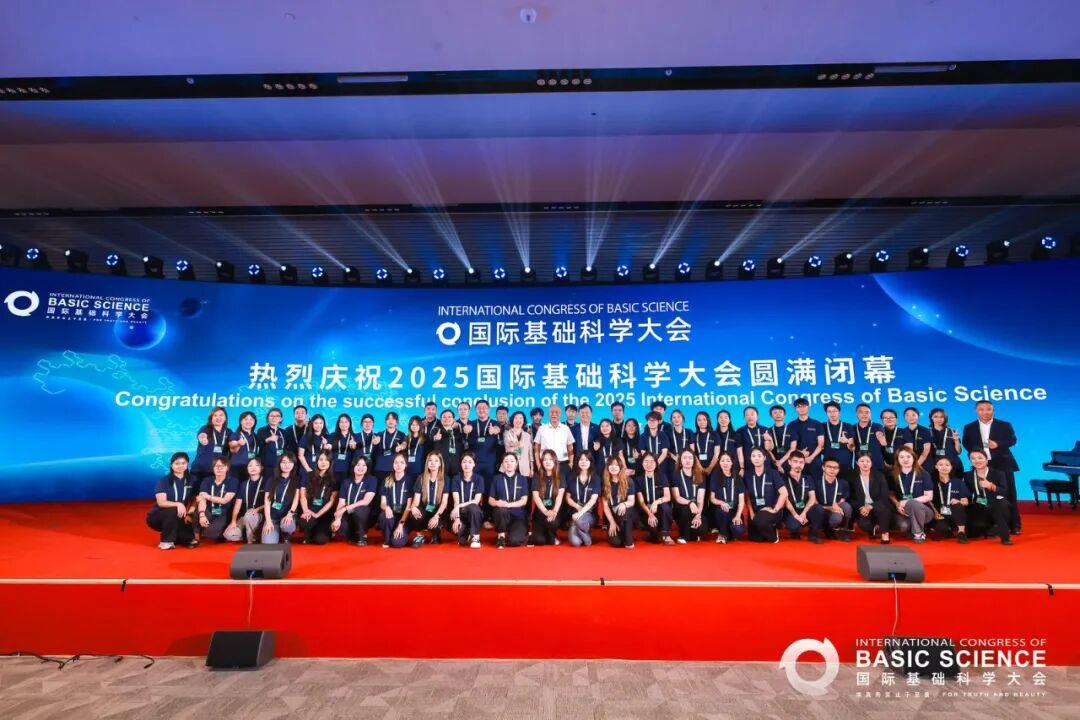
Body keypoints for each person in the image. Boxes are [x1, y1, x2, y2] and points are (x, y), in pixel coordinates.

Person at [961, 401, 1021, 534]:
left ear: (993, 410)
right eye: (981, 409)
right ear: (976, 411)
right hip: (981, 465)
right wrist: (977, 455)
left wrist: (998, 444)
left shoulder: (1004, 424)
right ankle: (990, 524)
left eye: (988, 409)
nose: (985, 412)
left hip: (1003, 464)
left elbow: (1012, 440)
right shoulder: (969, 427)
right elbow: (966, 443)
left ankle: (1015, 525)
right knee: (983, 493)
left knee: (1009, 494)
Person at [963, 449, 1014, 545]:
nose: (977, 461)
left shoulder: (998, 473)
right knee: (974, 531)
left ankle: (1005, 537)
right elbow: (968, 493)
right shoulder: (968, 475)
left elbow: (1005, 491)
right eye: (973, 458)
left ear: (986, 459)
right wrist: (964, 499)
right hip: (979, 505)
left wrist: (991, 486)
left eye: (980, 458)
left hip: (997, 503)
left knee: (999, 506)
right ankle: (990, 528)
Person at [147, 451, 197, 549]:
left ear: (187, 464)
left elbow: (195, 498)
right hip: (158, 516)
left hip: (181, 514)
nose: (180, 466)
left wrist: (190, 513)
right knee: (173, 510)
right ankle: (166, 542)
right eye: (177, 463)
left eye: (183, 463)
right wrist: (178, 504)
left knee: (188, 538)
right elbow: (161, 502)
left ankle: (179, 537)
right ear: (171, 465)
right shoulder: (163, 480)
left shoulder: (192, 480)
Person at [849, 453, 898, 544]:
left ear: (871, 463)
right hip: (863, 507)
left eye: (868, 461)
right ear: (857, 463)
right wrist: (861, 507)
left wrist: (871, 506)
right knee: (864, 524)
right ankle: (872, 529)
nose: (865, 463)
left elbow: (884, 496)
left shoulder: (879, 476)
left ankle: (885, 533)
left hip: (878, 505)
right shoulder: (853, 477)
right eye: (862, 461)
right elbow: (851, 498)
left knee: (882, 509)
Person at [891, 446, 935, 543]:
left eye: (908, 456)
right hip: (903, 510)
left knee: (913, 503)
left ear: (914, 458)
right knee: (903, 526)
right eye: (901, 457)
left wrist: (908, 502)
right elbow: (890, 493)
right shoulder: (893, 474)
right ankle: (916, 527)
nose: (905, 460)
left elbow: (929, 496)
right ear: (897, 459)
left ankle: (918, 533)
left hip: (924, 511)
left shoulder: (923, 473)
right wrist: (897, 504)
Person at [743, 447, 788, 543]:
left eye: (759, 456)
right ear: (750, 458)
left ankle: (773, 534)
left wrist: (775, 509)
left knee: (761, 523)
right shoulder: (747, 475)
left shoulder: (773, 473)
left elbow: (784, 493)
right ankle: (765, 528)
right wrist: (751, 512)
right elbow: (747, 496)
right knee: (756, 538)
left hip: (771, 509)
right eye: (753, 456)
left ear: (764, 458)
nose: (756, 458)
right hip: (756, 511)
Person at [332, 455, 378, 546]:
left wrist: (346, 508)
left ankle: (361, 536)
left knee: (358, 511)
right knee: (340, 527)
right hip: (349, 513)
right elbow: (341, 502)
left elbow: (366, 501)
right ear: (353, 466)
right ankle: (352, 535)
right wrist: (337, 518)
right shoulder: (346, 482)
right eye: (358, 465)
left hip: (364, 513)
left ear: (367, 467)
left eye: (364, 465)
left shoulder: (372, 480)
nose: (361, 467)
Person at [782, 452, 825, 543]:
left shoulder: (808, 478)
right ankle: (794, 532)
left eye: (801, 462)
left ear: (804, 463)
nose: (798, 465)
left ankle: (813, 533)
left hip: (805, 510)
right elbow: (785, 499)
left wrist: (804, 513)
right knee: (794, 526)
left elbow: (812, 497)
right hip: (790, 511)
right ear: (789, 462)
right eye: (795, 461)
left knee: (818, 508)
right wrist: (796, 515)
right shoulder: (783, 478)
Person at [408, 451, 450, 546]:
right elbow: (416, 500)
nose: (433, 463)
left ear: (440, 464)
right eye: (430, 460)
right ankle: (420, 535)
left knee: (436, 523)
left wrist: (436, 516)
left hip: (438, 511)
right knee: (414, 514)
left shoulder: (445, 479)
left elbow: (444, 502)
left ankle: (436, 534)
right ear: (427, 463)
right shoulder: (421, 478)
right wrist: (413, 507)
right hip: (425, 509)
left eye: (436, 461)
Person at [489, 452, 530, 548]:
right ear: (502, 464)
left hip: (518, 516)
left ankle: (520, 532)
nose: (509, 463)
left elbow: (524, 501)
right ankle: (501, 536)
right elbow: (490, 500)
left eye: (512, 461)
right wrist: (497, 502)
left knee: (514, 541)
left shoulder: (522, 479)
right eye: (506, 461)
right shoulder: (496, 479)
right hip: (502, 515)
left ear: (516, 463)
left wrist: (508, 504)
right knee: (501, 510)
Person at [224, 457, 268, 543]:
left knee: (249, 516)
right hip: (246, 515)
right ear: (247, 468)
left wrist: (257, 509)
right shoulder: (243, 484)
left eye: (256, 465)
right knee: (229, 534)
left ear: (261, 468)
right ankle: (246, 533)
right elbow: (237, 505)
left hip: (261, 515)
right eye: (250, 466)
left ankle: (251, 540)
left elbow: (270, 502)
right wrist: (233, 521)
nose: (253, 468)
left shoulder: (267, 482)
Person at [298, 451, 338, 545]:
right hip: (309, 511)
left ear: (330, 462)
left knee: (320, 540)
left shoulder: (334, 479)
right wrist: (306, 511)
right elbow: (302, 496)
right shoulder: (308, 475)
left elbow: (331, 501)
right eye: (321, 459)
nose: (323, 462)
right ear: (316, 461)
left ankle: (324, 532)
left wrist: (317, 514)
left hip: (324, 514)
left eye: (326, 460)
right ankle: (308, 533)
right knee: (304, 521)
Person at [929, 457, 971, 543]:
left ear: (951, 467)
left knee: (957, 505)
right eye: (941, 465)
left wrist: (959, 501)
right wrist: (935, 512)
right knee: (942, 530)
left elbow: (966, 502)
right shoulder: (932, 483)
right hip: (940, 515)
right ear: (936, 467)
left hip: (956, 514)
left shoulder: (958, 482)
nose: (944, 467)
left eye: (947, 465)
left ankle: (961, 532)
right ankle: (950, 531)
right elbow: (929, 501)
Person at [635, 451, 674, 545]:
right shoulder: (638, 479)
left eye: (652, 461)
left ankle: (666, 535)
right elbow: (641, 502)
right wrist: (650, 514)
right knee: (655, 538)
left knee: (665, 506)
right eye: (646, 461)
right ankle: (653, 533)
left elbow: (668, 496)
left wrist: (656, 502)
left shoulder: (662, 476)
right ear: (642, 463)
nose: (649, 464)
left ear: (656, 463)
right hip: (646, 511)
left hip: (660, 509)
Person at [196, 456, 238, 543]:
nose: (219, 468)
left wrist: (208, 496)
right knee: (198, 513)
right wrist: (202, 514)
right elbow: (201, 499)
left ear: (227, 468)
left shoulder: (233, 481)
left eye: (222, 466)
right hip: (209, 509)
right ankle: (197, 534)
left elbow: (224, 500)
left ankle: (210, 532)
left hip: (223, 511)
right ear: (213, 468)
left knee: (210, 534)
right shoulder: (207, 480)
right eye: (216, 466)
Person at [262, 453, 300, 544]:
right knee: (268, 543)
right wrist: (268, 521)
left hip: (287, 515)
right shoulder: (271, 479)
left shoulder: (296, 479)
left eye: (290, 462)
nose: (286, 465)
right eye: (284, 462)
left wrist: (290, 514)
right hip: (273, 517)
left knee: (287, 526)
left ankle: (286, 535)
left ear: (294, 464)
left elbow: (296, 499)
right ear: (279, 464)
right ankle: (276, 532)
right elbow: (267, 502)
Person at [708, 452, 745, 544]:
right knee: (722, 511)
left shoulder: (738, 477)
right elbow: (712, 498)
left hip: (734, 511)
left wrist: (738, 515)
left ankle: (728, 532)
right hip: (721, 511)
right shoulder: (715, 476)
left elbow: (741, 501)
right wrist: (722, 503)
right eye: (722, 461)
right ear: (719, 462)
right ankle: (722, 534)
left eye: (728, 461)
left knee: (739, 529)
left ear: (732, 463)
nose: (725, 463)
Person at [529, 449, 565, 546]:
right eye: (545, 460)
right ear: (542, 462)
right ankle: (546, 535)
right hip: (541, 512)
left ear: (555, 461)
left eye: (550, 459)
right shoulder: (537, 476)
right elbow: (536, 497)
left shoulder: (560, 476)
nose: (547, 462)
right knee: (539, 541)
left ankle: (552, 535)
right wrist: (545, 511)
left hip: (554, 511)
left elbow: (559, 497)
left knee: (552, 522)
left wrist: (554, 511)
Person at [670, 449, 706, 543]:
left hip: (697, 509)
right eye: (684, 458)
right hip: (682, 508)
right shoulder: (675, 475)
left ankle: (693, 532)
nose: (687, 460)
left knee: (701, 529)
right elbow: (677, 497)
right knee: (685, 510)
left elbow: (700, 499)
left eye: (690, 458)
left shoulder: (700, 475)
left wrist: (698, 515)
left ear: (694, 460)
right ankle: (685, 536)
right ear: (680, 460)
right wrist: (690, 503)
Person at [564, 453, 600, 547]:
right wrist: (577, 507)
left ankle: (578, 526)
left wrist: (580, 513)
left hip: (589, 513)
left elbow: (593, 500)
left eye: (586, 460)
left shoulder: (595, 478)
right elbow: (567, 498)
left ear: (590, 462)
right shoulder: (571, 477)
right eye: (581, 459)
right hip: (574, 512)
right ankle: (585, 534)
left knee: (580, 520)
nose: (584, 462)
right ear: (577, 461)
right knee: (575, 543)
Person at [450, 452, 484, 548]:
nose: (466, 465)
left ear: (474, 464)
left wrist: (459, 506)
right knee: (459, 534)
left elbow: (476, 501)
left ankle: (475, 537)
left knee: (473, 507)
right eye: (464, 462)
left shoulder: (479, 479)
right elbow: (456, 500)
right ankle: (467, 531)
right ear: (461, 464)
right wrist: (457, 519)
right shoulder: (456, 479)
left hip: (474, 512)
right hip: (461, 512)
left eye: (470, 462)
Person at [380, 453, 414, 548]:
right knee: (383, 515)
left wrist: (401, 524)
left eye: (402, 462)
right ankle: (387, 539)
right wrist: (386, 507)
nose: (399, 465)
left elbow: (409, 506)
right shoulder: (387, 480)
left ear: (406, 465)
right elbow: (382, 502)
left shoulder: (410, 481)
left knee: (397, 543)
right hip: (391, 516)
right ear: (393, 464)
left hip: (404, 517)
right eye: (396, 462)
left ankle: (398, 534)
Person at [600, 456, 635, 548]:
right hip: (612, 514)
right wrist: (612, 522)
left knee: (624, 512)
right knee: (616, 543)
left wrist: (624, 504)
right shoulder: (604, 482)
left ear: (620, 467)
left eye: (616, 465)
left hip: (624, 512)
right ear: (607, 467)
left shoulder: (628, 481)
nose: (613, 467)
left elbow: (631, 501)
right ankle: (619, 533)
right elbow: (605, 506)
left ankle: (628, 539)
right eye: (611, 465)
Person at [192, 407, 230, 491]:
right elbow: (202, 435)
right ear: (211, 418)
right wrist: (203, 439)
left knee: (212, 493)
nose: (218, 418)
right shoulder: (205, 428)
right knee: (196, 494)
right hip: (201, 469)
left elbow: (232, 444)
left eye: (221, 415)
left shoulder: (229, 432)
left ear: (225, 418)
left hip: (218, 471)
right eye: (215, 415)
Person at [815, 457, 852, 541]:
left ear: (838, 470)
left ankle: (843, 531)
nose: (832, 469)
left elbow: (843, 499)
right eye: (829, 467)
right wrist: (829, 508)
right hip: (822, 509)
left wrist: (837, 506)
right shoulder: (817, 482)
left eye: (835, 467)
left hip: (836, 509)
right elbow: (813, 500)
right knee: (817, 510)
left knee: (846, 507)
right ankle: (825, 529)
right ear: (823, 468)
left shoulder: (843, 483)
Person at [467, 400, 502, 483]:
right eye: (479, 408)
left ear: (489, 409)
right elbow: (467, 428)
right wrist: (466, 429)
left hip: (490, 462)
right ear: (475, 410)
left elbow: (497, 429)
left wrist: (494, 430)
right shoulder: (471, 423)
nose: (481, 410)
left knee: (489, 486)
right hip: (474, 462)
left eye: (484, 408)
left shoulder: (495, 422)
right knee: (475, 486)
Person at [789, 398, 824, 480]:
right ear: (795, 409)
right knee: (798, 483)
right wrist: (800, 453)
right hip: (797, 461)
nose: (801, 408)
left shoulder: (817, 424)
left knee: (816, 484)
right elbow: (790, 445)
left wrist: (810, 458)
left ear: (808, 407)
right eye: (798, 406)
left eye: (804, 406)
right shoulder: (791, 425)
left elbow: (821, 444)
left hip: (814, 460)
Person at [821, 402, 855, 476]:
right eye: (829, 411)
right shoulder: (822, 426)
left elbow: (852, 448)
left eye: (834, 411)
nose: (832, 414)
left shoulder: (848, 426)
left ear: (839, 412)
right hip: (828, 467)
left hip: (845, 465)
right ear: (826, 413)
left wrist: (847, 441)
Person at [928, 408, 963, 477]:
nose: (939, 419)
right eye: (935, 416)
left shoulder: (952, 432)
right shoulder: (926, 432)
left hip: (953, 465)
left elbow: (959, 452)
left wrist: (956, 440)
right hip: (934, 466)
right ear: (931, 417)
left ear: (945, 418)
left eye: (941, 417)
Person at [431, 409, 466, 477]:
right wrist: (435, 438)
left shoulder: (458, 431)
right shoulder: (436, 430)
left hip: (456, 466)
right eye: (444, 417)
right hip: (441, 466)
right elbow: (431, 438)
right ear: (441, 419)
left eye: (449, 417)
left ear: (454, 419)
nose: (447, 419)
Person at [227, 411, 259, 483]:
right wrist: (238, 443)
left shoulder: (255, 436)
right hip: (236, 468)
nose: (248, 421)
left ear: (254, 422)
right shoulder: (235, 434)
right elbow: (232, 446)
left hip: (251, 468)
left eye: (251, 419)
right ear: (241, 421)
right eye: (246, 419)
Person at [639, 411, 671, 482]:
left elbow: (664, 453)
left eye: (654, 420)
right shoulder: (643, 436)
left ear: (658, 422)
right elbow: (643, 453)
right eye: (649, 421)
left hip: (661, 464)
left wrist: (655, 464)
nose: (651, 422)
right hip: (648, 465)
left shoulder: (663, 435)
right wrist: (650, 464)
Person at [852, 403, 884, 473]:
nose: (864, 414)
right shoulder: (852, 428)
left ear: (870, 414)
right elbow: (851, 446)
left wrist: (882, 438)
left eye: (867, 412)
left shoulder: (877, 426)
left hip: (876, 465)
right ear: (856, 414)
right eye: (861, 412)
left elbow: (883, 441)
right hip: (859, 465)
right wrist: (849, 444)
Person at [298, 413, 332, 479]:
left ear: (324, 424)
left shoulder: (328, 437)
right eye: (316, 423)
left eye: (321, 423)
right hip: (307, 469)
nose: (318, 425)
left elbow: (329, 453)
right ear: (312, 424)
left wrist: (325, 445)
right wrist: (308, 469)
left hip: (322, 470)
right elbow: (300, 455)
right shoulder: (305, 437)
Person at [374, 412, 407, 477]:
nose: (390, 421)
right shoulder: (380, 434)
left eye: (393, 419)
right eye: (388, 419)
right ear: (385, 421)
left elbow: (404, 443)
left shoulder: (401, 434)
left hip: (394, 468)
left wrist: (401, 447)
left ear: (397, 421)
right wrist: (375, 441)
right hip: (380, 467)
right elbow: (375, 440)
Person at [766, 405, 798, 472]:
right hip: (773, 462)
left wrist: (781, 461)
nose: (778, 414)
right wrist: (776, 462)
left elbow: (793, 448)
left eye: (780, 412)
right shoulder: (768, 431)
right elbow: (768, 449)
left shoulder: (792, 430)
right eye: (775, 412)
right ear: (771, 415)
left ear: (784, 415)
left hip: (788, 461)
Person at [327, 413, 357, 485]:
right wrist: (327, 446)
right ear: (338, 423)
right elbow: (328, 447)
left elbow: (357, 452)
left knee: (345, 488)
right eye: (341, 422)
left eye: (346, 422)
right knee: (333, 488)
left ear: (350, 423)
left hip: (348, 468)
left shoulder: (354, 436)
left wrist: (354, 447)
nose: (344, 424)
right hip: (335, 467)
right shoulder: (332, 435)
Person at [502, 411, 534, 476]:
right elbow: (508, 449)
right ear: (512, 420)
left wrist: (532, 469)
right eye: (516, 418)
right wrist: (517, 445)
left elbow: (530, 454)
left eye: (520, 418)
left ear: (524, 421)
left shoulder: (528, 435)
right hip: (510, 466)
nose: (518, 420)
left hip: (525, 468)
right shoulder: (507, 433)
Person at [901, 407, 933, 471]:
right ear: (904, 417)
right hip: (908, 463)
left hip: (924, 463)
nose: (910, 417)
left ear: (918, 416)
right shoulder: (902, 431)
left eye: (913, 415)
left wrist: (917, 465)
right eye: (907, 415)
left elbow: (926, 451)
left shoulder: (925, 431)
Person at [692, 411, 720, 484]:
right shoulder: (693, 435)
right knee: (701, 487)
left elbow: (716, 453)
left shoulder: (715, 435)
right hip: (698, 466)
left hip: (713, 466)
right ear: (696, 422)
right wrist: (699, 467)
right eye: (699, 420)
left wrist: (710, 468)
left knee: (712, 487)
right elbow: (692, 453)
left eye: (704, 419)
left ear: (708, 420)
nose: (702, 422)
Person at [665, 409, 692, 480]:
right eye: (674, 417)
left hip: (687, 462)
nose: (676, 419)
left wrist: (685, 458)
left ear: (682, 418)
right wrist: (674, 457)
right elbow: (665, 449)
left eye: (678, 417)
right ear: (671, 420)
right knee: (675, 482)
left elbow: (692, 449)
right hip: (673, 461)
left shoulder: (689, 432)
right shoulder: (667, 433)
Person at [875, 408, 903, 474]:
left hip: (901, 466)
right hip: (882, 466)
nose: (889, 419)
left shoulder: (904, 431)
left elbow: (908, 449)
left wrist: (900, 463)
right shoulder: (879, 433)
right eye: (885, 418)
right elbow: (875, 450)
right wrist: (883, 462)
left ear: (896, 419)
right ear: (882, 420)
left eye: (891, 417)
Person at [714, 410, 740, 476]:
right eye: (721, 417)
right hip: (717, 466)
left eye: (726, 417)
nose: (723, 420)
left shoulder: (736, 435)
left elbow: (740, 453)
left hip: (733, 466)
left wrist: (742, 467)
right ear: (717, 420)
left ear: (729, 420)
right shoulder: (713, 435)